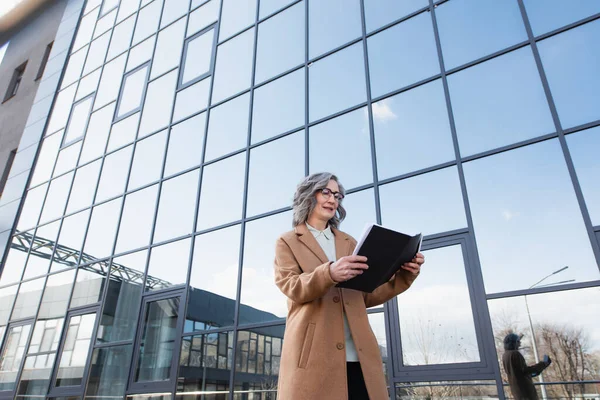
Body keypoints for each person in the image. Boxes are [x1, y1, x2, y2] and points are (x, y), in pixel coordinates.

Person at [273, 172, 424, 400]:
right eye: (325, 192)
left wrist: (404, 275)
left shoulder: (350, 242)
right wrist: (329, 273)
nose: (333, 199)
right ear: (307, 194)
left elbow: (366, 294)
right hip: (315, 358)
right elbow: (291, 286)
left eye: (337, 195)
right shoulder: (288, 241)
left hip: (360, 358)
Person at [502, 333, 552, 400]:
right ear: (513, 342)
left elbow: (518, 372)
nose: (520, 344)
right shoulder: (515, 354)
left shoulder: (505, 355)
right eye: (518, 342)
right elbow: (525, 371)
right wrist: (543, 364)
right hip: (525, 390)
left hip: (517, 390)